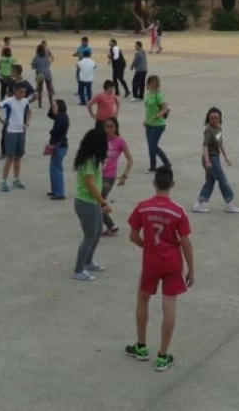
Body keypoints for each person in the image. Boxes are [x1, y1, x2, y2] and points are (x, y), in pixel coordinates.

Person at [126, 166, 195, 372]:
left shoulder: (142, 207)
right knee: (169, 307)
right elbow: (186, 243)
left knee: (143, 299)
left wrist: (146, 246)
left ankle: (141, 346)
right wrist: (191, 269)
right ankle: (163, 356)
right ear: (172, 185)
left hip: (151, 262)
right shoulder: (178, 211)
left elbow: (132, 236)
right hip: (172, 263)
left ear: (154, 183)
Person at [71, 126, 112, 281]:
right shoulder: (88, 161)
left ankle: (88, 262)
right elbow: (89, 184)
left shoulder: (93, 159)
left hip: (92, 201)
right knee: (89, 236)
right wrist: (103, 203)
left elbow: (94, 181)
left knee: (96, 233)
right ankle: (78, 270)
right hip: (86, 202)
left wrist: (103, 186)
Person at [193, 106, 239, 214]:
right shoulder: (208, 131)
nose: (214, 120)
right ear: (208, 119)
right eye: (212, 118)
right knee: (223, 180)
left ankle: (198, 204)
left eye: (216, 118)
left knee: (210, 182)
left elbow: (220, 143)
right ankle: (230, 204)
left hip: (215, 158)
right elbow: (205, 146)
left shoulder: (219, 128)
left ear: (220, 118)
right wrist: (207, 161)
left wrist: (225, 157)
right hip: (210, 159)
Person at [0, 81, 32, 192]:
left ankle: (16, 179)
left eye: (24, 92)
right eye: (21, 92)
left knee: (18, 157)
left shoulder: (25, 101)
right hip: (11, 131)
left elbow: (29, 112)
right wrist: (2, 121)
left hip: (21, 132)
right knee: (10, 158)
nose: (23, 94)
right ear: (15, 92)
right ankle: (3, 181)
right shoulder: (9, 101)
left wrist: (27, 123)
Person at [100, 117, 135, 235]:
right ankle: (107, 225)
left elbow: (130, 160)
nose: (109, 129)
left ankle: (110, 225)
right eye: (107, 126)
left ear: (116, 128)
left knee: (98, 202)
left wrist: (124, 176)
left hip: (108, 177)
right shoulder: (100, 139)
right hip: (97, 175)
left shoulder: (120, 141)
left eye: (112, 126)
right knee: (96, 202)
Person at [143, 75, 171, 173]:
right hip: (149, 124)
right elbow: (149, 109)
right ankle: (152, 166)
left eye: (147, 82)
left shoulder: (159, 95)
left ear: (151, 83)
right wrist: (146, 120)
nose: (146, 84)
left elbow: (165, 108)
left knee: (153, 145)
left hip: (158, 125)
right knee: (150, 145)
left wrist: (156, 116)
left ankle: (167, 163)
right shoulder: (149, 94)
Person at [45, 100, 70, 200]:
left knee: (56, 170)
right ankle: (56, 190)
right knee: (54, 169)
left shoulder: (60, 118)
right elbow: (50, 115)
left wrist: (52, 144)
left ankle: (59, 192)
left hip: (59, 146)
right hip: (60, 146)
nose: (53, 108)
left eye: (55, 106)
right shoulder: (62, 116)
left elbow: (56, 133)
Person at [31, 42, 55, 109]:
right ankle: (51, 103)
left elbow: (33, 67)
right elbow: (48, 63)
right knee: (49, 89)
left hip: (40, 74)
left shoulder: (36, 58)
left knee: (40, 89)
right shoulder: (46, 57)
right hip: (47, 73)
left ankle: (40, 104)